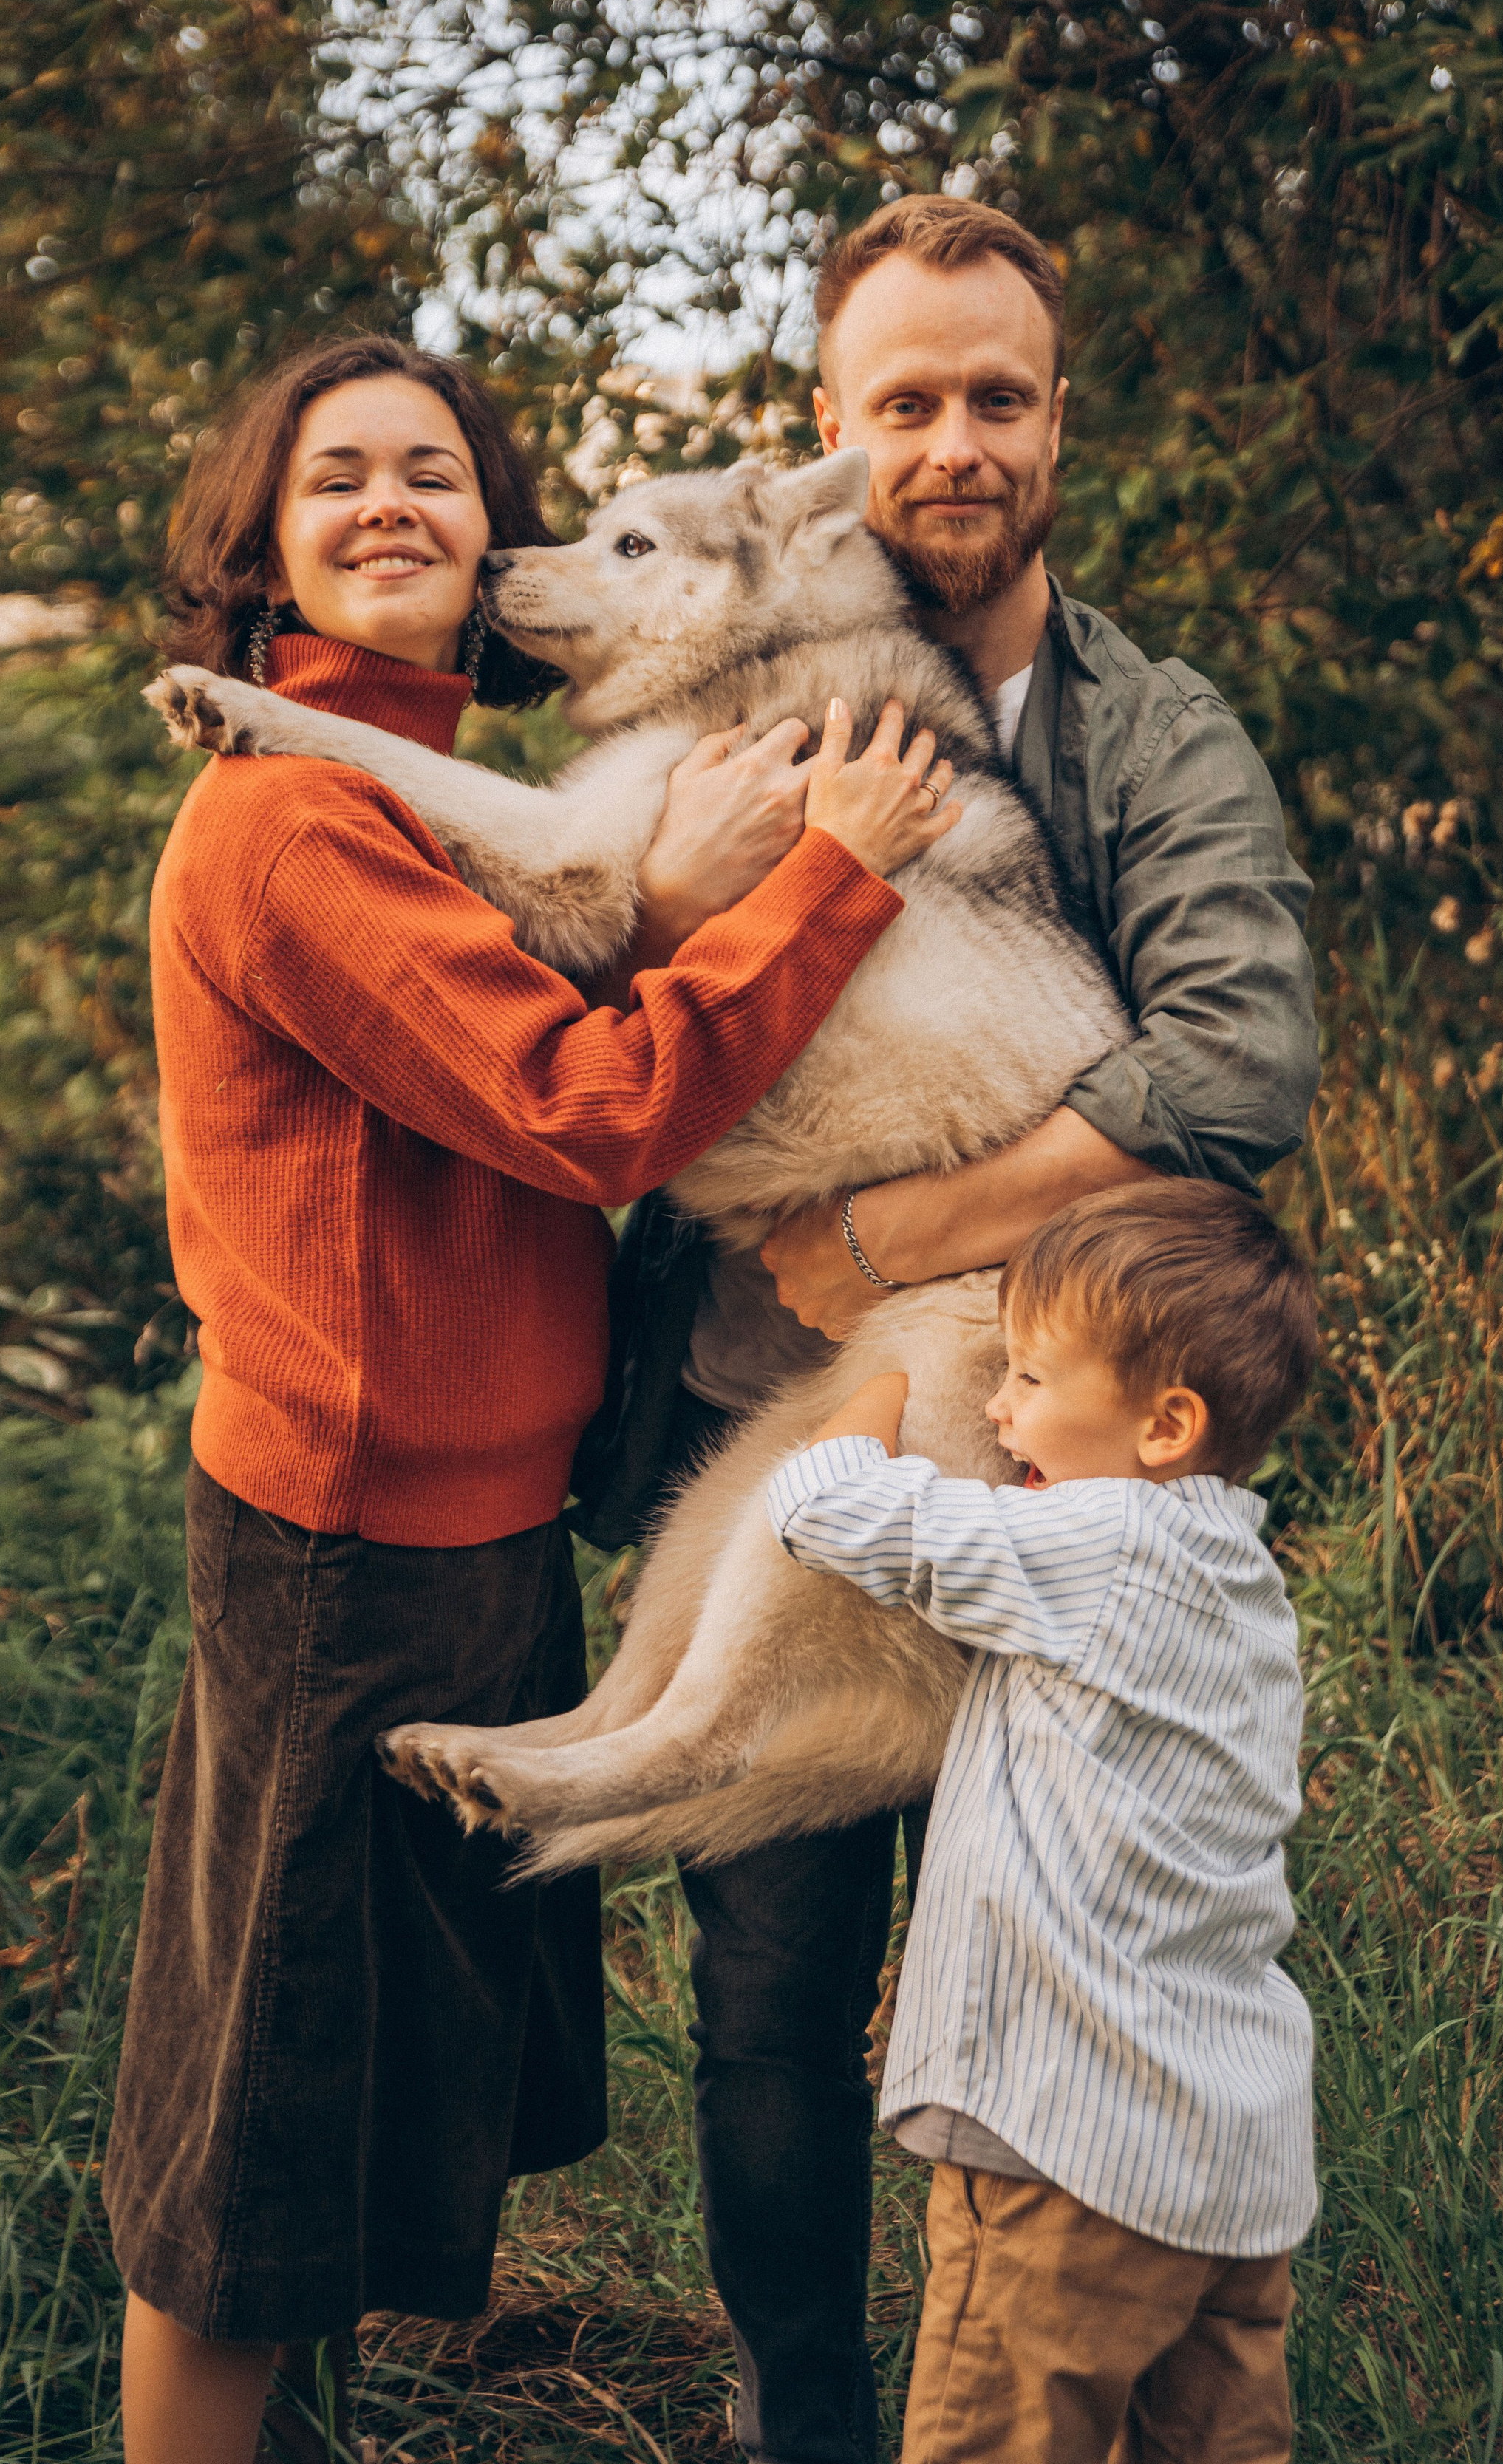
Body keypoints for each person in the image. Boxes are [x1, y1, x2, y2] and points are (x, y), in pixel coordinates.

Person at [102, 332, 961, 2464]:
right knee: (257, 2133)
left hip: (471, 1525)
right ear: (262, 538)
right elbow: (584, 1105)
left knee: (355, 2097)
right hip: (345, 1538)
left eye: (434, 472)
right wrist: (825, 882)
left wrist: (665, 898)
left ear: (489, 533)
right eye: (338, 479)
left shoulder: (396, 800)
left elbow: (547, 952)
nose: (393, 503)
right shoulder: (291, 818)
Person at [570, 199, 1321, 2464]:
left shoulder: (1155, 734)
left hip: (1085, 1471)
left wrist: (902, 1215)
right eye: (909, 401)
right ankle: (808, 2412)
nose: (958, 441)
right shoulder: (728, 697)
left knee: (1092, 1981)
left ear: (1058, 423)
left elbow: (1241, 1064)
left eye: (999, 396)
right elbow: (602, 1018)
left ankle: (1060, 2399)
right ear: (832, 440)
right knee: (773, 1993)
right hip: (766, 1420)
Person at [768, 1182, 1321, 2463]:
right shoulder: (1244, 1583)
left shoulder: (1100, 1539)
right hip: (1230, 2164)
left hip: (1059, 2144)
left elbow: (829, 1509)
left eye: (1026, 1374)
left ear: (1164, 1426)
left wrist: (872, 1391)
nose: (998, 1407)